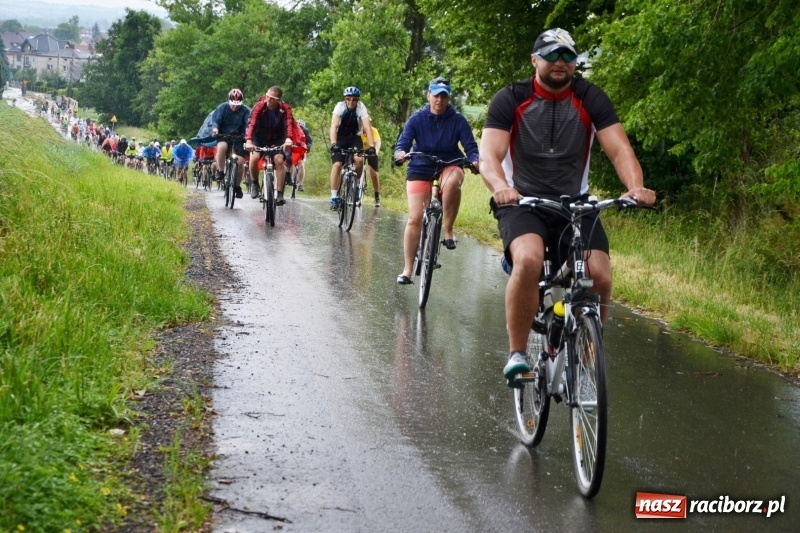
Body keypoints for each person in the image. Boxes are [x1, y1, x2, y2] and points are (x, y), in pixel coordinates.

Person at [479, 28, 656, 381]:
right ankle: (517, 355)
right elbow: (489, 155)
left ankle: (588, 356)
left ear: (575, 62)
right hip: (522, 200)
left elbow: (619, 149)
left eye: (567, 56)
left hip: (575, 203)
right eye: (551, 55)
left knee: (600, 275)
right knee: (528, 259)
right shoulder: (511, 98)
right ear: (535, 60)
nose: (560, 62)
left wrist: (635, 187)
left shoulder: (590, 98)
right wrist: (501, 186)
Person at [394, 76, 480, 285]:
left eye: (444, 96)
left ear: (448, 98)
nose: (439, 100)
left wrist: (475, 161)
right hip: (420, 165)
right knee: (415, 218)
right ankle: (407, 269)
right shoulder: (417, 118)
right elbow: (403, 143)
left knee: (452, 183)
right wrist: (401, 153)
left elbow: (470, 147)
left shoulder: (458, 120)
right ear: (428, 95)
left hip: (450, 163)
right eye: (436, 95)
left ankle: (448, 230)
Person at [245, 86, 298, 206]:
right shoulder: (259, 106)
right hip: (259, 137)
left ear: (279, 100)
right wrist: (248, 140)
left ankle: (279, 194)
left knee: (279, 161)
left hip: (277, 138)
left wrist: (289, 139)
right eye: (267, 96)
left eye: (272, 98)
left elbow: (288, 124)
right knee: (253, 158)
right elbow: (251, 124)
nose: (268, 100)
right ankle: (254, 183)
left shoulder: (285, 109)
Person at [328, 86, 375, 210]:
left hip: (355, 138)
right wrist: (334, 144)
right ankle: (334, 197)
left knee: (359, 160)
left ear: (358, 100)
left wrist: (371, 146)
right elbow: (334, 126)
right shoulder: (340, 107)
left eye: (354, 99)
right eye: (348, 99)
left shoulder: (361, 108)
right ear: (345, 99)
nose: (351, 102)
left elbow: (367, 128)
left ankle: (355, 185)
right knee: (337, 164)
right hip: (341, 138)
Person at [210, 88, 251, 198]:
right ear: (229, 101)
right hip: (224, 135)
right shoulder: (222, 108)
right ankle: (220, 171)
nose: (235, 107)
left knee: (240, 162)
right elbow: (215, 121)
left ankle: (237, 186)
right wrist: (215, 129)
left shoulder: (246, 111)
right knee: (222, 147)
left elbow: (249, 124)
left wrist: (248, 133)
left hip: (239, 137)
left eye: (237, 105)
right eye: (233, 104)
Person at [360, 125, 382, 206]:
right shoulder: (358, 131)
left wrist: (376, 151)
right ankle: (356, 188)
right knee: (357, 164)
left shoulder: (373, 130)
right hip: (360, 150)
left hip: (371, 150)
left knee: (374, 174)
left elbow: (378, 141)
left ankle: (376, 196)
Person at [295, 120, 313, 192]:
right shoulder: (291, 130)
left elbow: (309, 141)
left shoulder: (305, 131)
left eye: (301, 127)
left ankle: (300, 184)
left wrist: (307, 148)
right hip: (293, 148)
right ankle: (288, 177)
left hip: (302, 149)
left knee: (301, 165)